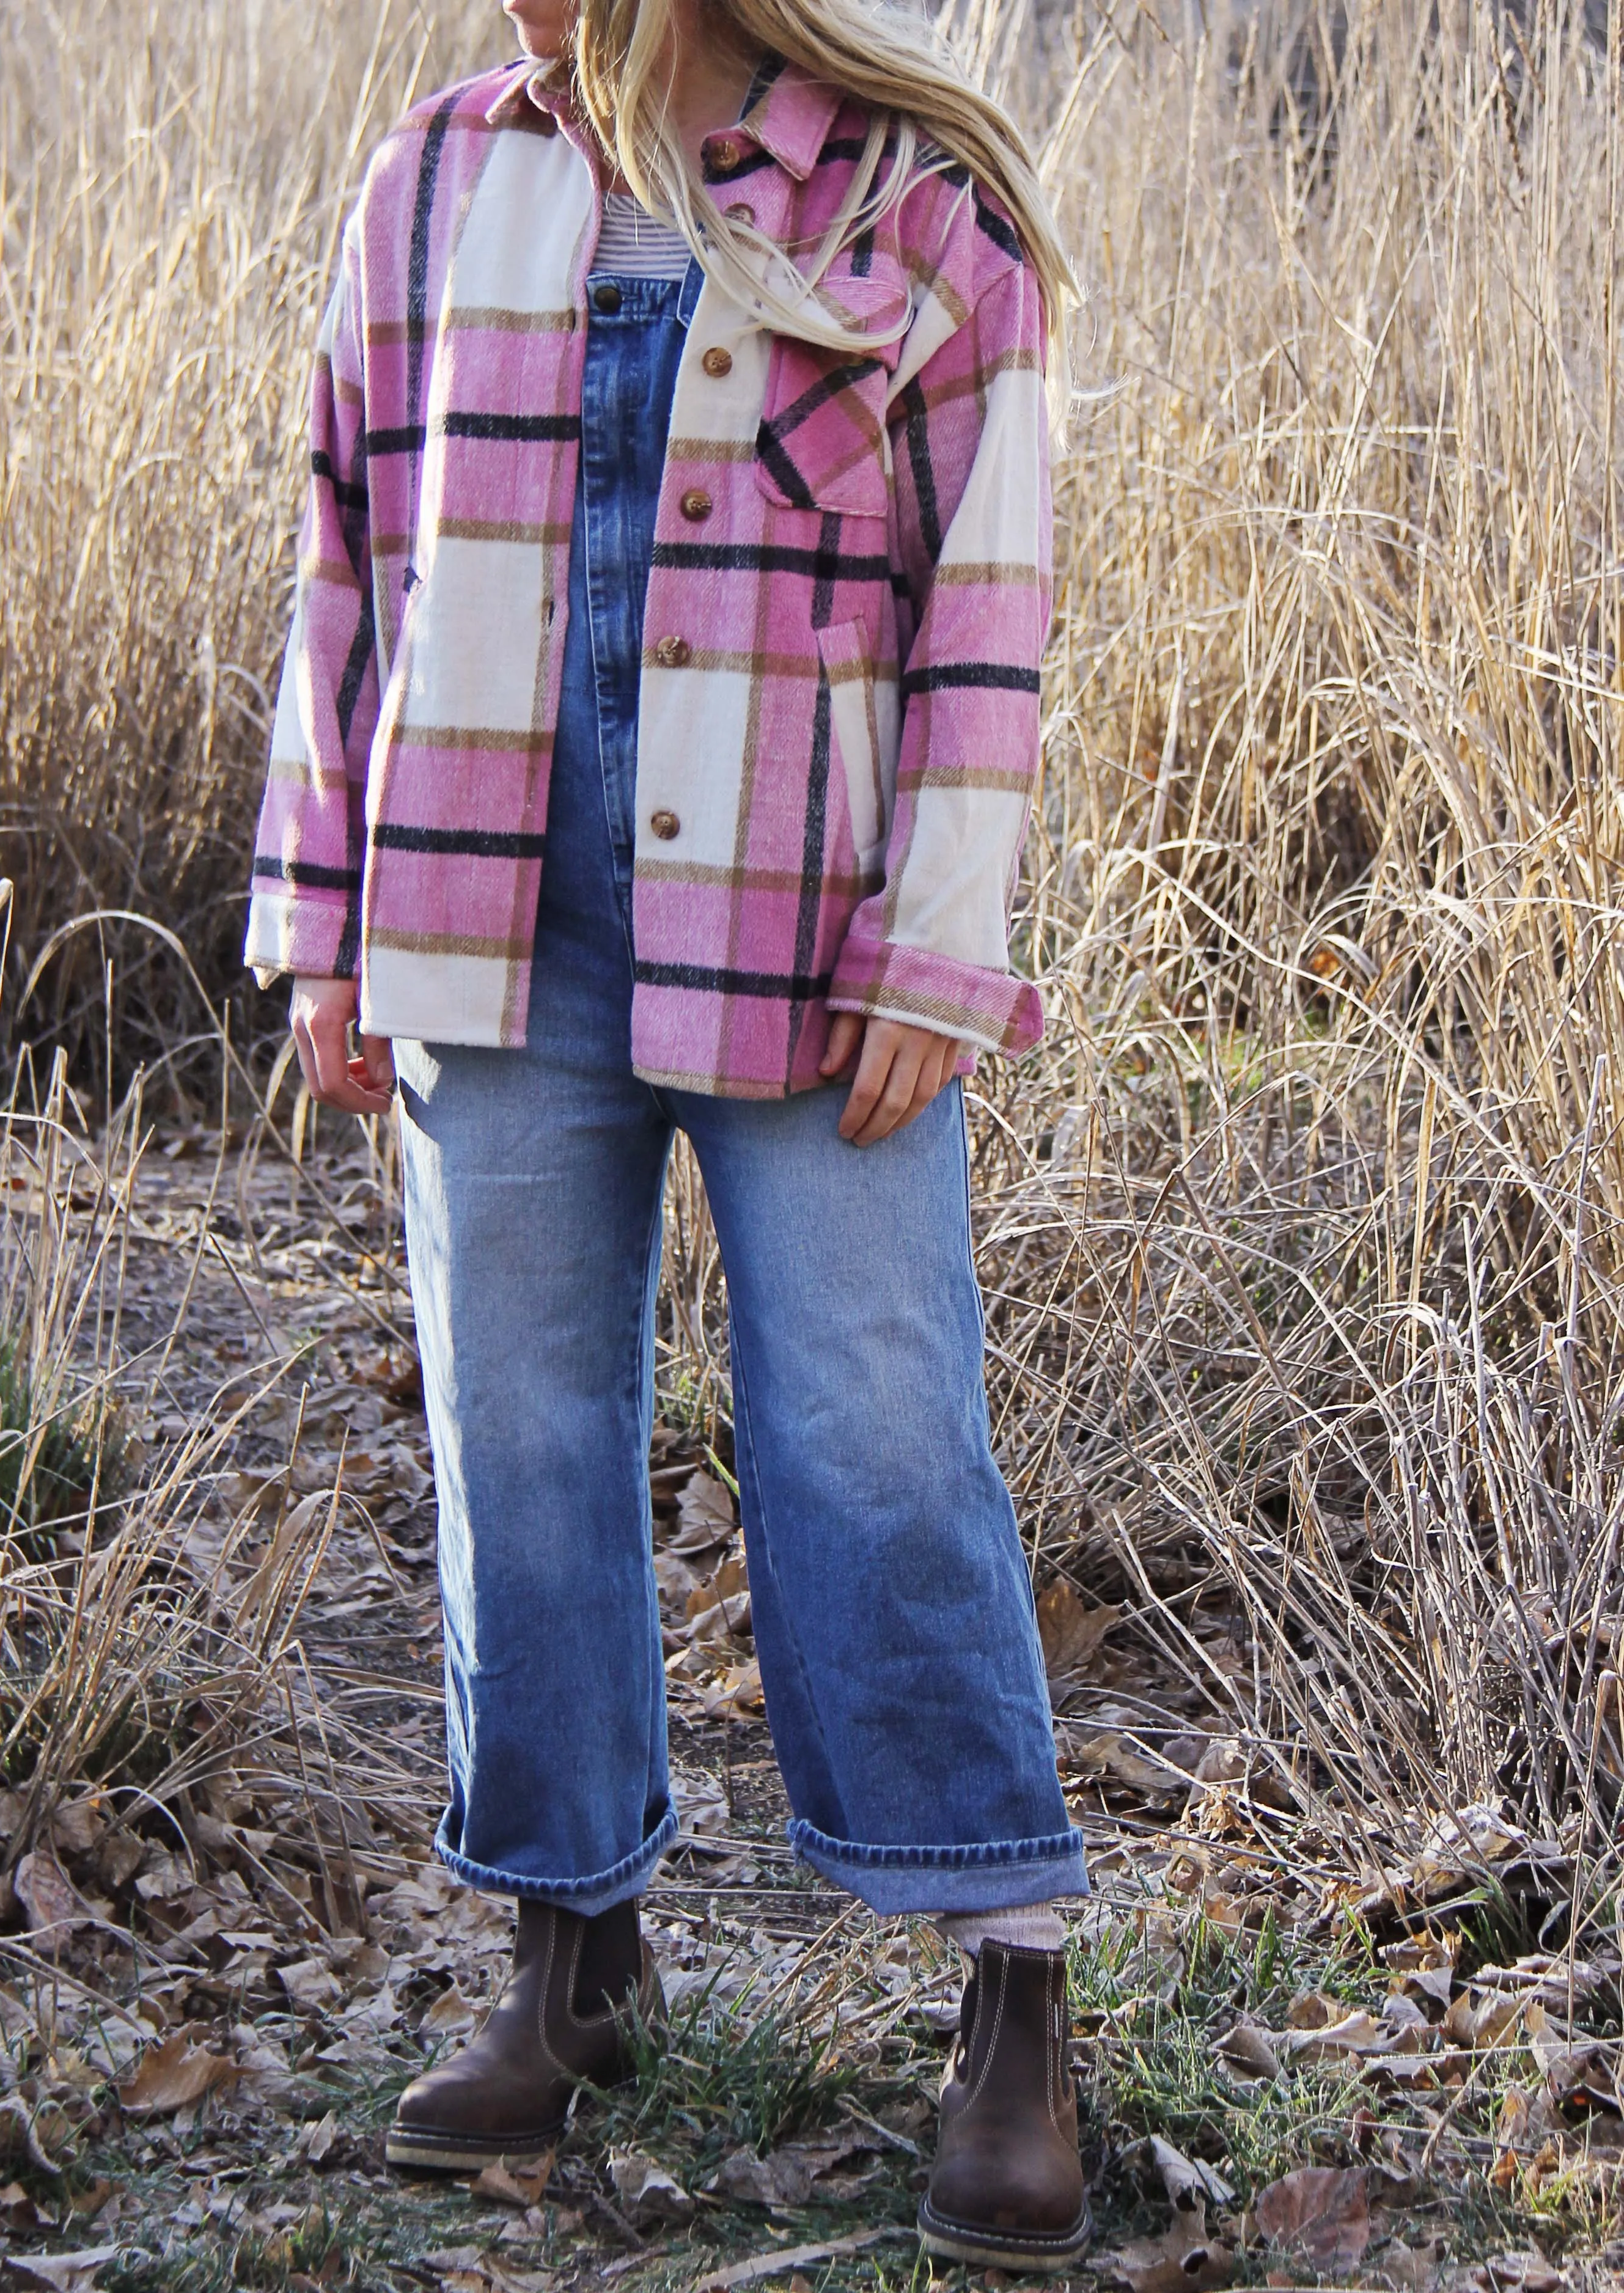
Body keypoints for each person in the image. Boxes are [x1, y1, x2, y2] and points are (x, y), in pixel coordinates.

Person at [246, 0, 1089, 2265]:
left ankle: (1010, 1976)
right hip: (479, 910)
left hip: (807, 943)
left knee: (878, 1422)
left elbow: (982, 604)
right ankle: (570, 1946)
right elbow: (349, 546)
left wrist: (941, 947)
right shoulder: (432, 174)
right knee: (516, 1434)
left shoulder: (912, 204)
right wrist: (322, 914)